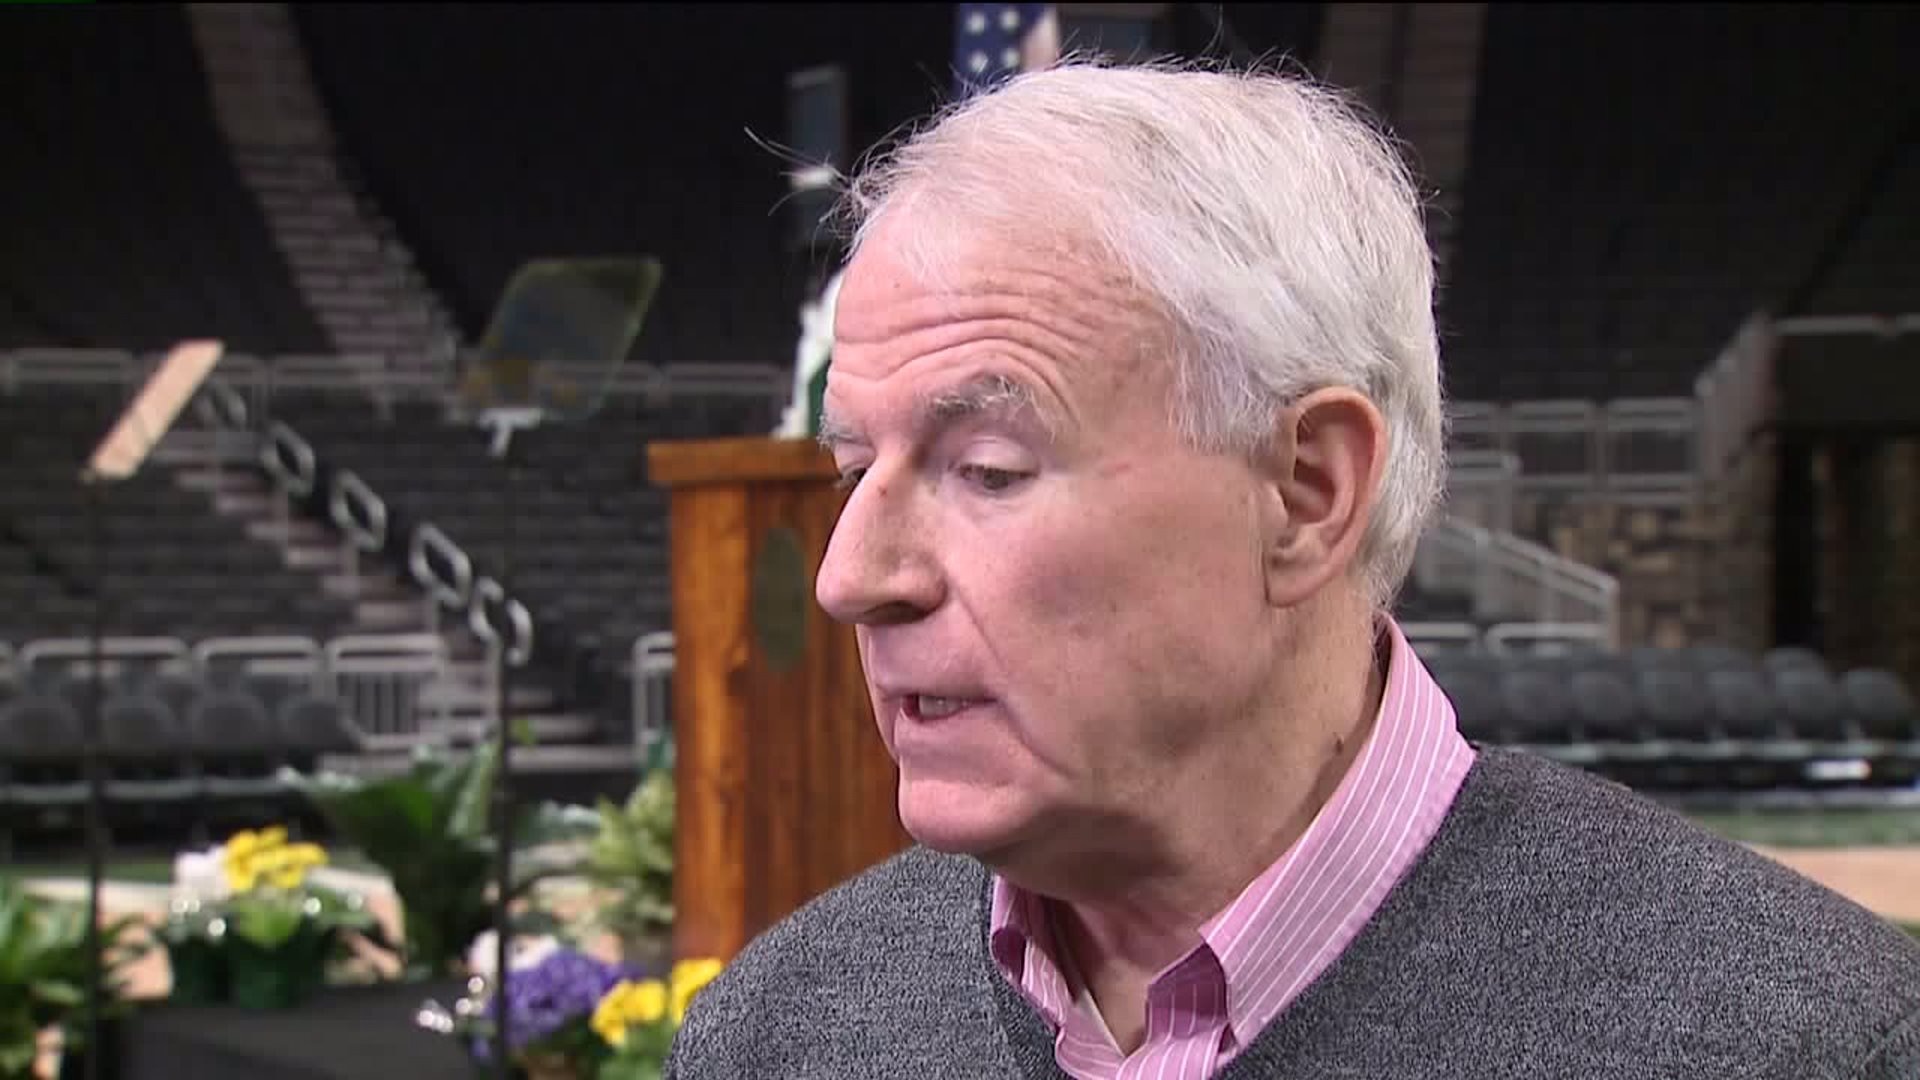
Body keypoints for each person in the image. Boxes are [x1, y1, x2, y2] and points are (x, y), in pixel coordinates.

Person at [668, 59, 1920, 1079]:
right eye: (853, 469)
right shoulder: (775, 1035)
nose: (851, 577)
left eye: (987, 469)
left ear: (1307, 494)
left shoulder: (1802, 1041)